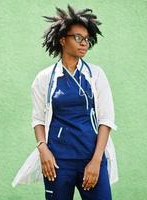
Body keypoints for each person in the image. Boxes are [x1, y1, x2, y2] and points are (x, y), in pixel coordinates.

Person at [32, 5, 117, 200]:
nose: (84, 43)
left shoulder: (96, 75)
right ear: (62, 40)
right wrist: (43, 149)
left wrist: (96, 161)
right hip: (57, 163)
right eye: (78, 38)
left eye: (87, 39)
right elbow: (38, 119)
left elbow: (106, 120)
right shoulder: (45, 78)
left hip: (91, 157)